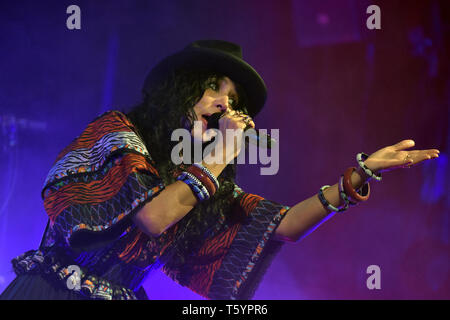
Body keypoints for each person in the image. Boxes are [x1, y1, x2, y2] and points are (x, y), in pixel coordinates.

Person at [0, 40, 440, 300]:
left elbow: (282, 225)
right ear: (181, 91)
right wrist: (226, 148)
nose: (224, 104)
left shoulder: (202, 180)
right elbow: (153, 217)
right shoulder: (117, 131)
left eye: (234, 100)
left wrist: (358, 175)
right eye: (213, 88)